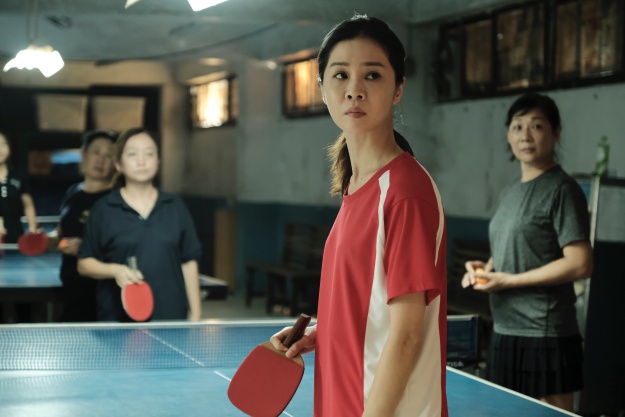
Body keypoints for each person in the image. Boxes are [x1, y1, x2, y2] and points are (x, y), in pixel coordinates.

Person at [270, 15, 448, 417]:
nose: (354, 90)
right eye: (340, 75)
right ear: (322, 89)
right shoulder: (356, 184)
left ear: (398, 88)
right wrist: (325, 333)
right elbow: (373, 306)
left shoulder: (404, 192)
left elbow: (406, 335)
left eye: (372, 75)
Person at [462, 92, 593, 412]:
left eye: (536, 126)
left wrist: (508, 281)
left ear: (556, 133)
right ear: (508, 135)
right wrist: (487, 270)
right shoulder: (511, 192)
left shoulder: (562, 189)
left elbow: (580, 263)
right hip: (505, 328)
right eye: (518, 126)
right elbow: (515, 247)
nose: (525, 135)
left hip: (544, 331)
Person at [77, 128, 202, 321]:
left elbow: (188, 262)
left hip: (171, 319)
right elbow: (84, 264)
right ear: (118, 164)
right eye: (132, 154)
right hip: (118, 322)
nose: (142, 161)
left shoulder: (175, 206)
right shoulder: (103, 209)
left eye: (149, 154)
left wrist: (196, 315)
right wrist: (115, 270)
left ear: (158, 161)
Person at [52, 129, 117, 322]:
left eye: (109, 155)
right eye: (96, 152)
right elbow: (61, 233)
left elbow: (123, 245)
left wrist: (85, 247)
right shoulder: (73, 192)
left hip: (101, 293)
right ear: (84, 154)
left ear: (116, 163)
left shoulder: (116, 199)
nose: (101, 160)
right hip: (72, 286)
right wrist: (45, 239)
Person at [0, 131, 38, 244]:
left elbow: (28, 205)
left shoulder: (18, 176)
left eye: (3, 144)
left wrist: (32, 230)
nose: (0, 149)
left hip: (15, 239)